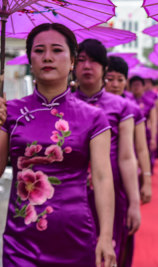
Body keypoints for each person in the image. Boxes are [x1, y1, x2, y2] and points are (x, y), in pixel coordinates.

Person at [0, 23, 116, 266]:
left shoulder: (94, 117)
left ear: (72, 61)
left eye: (57, 50)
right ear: (30, 59)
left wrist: (105, 237)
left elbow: (103, 178)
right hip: (20, 241)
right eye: (39, 51)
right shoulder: (10, 112)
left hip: (75, 237)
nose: (48, 57)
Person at [73, 39, 141, 267]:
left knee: (108, 254)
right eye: (81, 60)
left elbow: (127, 156)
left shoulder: (122, 106)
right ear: (72, 65)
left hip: (112, 190)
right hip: (70, 194)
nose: (87, 66)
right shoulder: (62, 105)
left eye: (93, 61)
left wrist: (134, 202)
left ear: (103, 68)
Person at [106, 57, 152, 208]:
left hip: (125, 173)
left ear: (126, 81)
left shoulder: (132, 109)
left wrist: (146, 180)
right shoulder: (89, 107)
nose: (115, 85)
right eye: (109, 79)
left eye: (120, 79)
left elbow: (141, 148)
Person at [129, 76, 158, 171]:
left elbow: (153, 121)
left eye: (138, 85)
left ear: (143, 86)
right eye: (134, 85)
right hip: (129, 135)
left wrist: (154, 138)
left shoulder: (149, 102)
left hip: (145, 135)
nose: (136, 87)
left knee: (144, 161)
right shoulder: (127, 101)